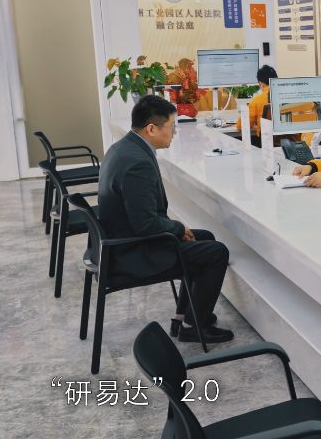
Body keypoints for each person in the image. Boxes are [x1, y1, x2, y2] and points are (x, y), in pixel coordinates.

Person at [98, 95, 233, 344]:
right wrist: (178, 228)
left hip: (121, 239)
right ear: (151, 129)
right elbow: (146, 225)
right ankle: (194, 327)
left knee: (205, 238)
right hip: (131, 251)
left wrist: (178, 229)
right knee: (216, 253)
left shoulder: (124, 147)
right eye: (171, 127)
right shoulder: (138, 164)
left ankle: (184, 316)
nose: (174, 133)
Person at [235, 64, 278, 147]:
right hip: (290, 142)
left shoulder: (258, 100)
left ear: (262, 84)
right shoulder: (287, 96)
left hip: (267, 145)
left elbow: (241, 125)